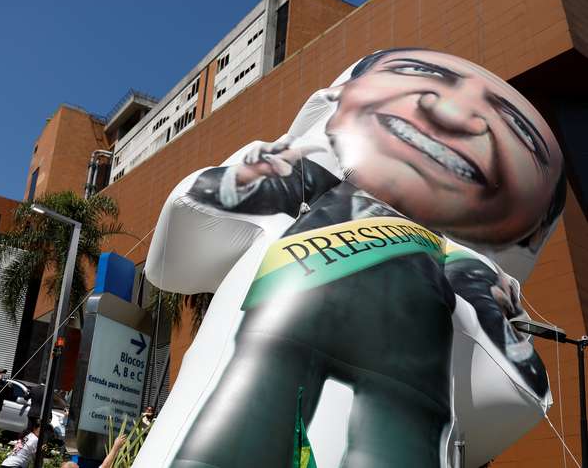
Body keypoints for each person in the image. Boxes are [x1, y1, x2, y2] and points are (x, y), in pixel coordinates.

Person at [139, 48, 565, 467]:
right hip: (386, 363)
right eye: (414, 72)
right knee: (256, 414)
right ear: (333, 104)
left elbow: (183, 220)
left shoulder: (307, 191)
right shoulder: (306, 185)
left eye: (517, 131)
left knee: (242, 426)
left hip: (358, 349)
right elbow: (516, 393)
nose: (452, 114)